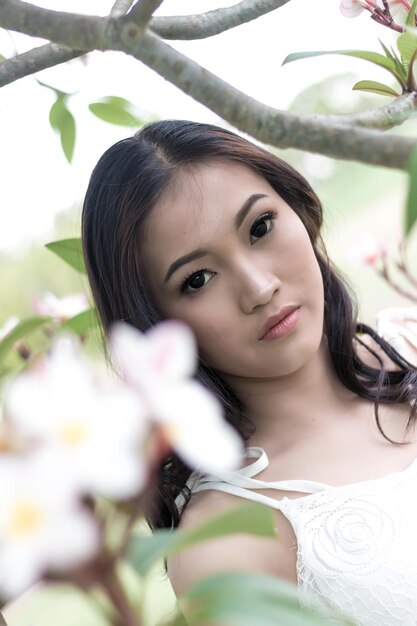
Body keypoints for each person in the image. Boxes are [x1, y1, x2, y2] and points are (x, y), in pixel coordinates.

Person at [81, 119, 417, 626]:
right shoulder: (224, 544)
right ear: (156, 324)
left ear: (299, 210)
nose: (259, 287)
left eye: (260, 227)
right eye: (197, 279)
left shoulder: (410, 340)